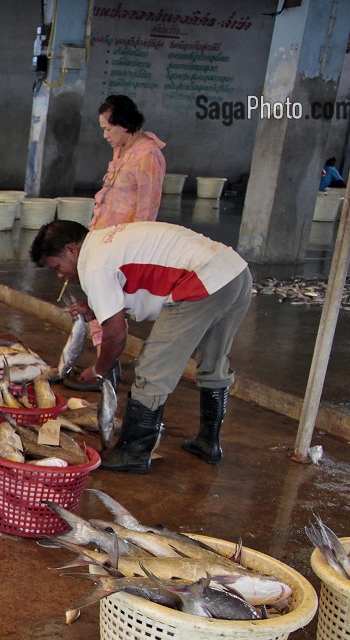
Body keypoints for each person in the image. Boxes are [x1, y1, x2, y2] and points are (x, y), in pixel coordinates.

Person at [30, 219, 253, 473]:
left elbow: (116, 334)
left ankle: (133, 451)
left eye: (57, 267)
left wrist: (100, 370)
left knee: (153, 368)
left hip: (202, 280)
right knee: (214, 361)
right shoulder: (107, 242)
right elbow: (135, 284)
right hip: (235, 273)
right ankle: (208, 442)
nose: (61, 276)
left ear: (71, 249)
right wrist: (94, 309)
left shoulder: (93, 264)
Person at [90, 95, 165, 230]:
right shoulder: (121, 147)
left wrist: (136, 239)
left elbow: (147, 207)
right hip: (106, 232)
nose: (105, 135)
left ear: (124, 125)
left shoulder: (148, 154)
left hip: (125, 236)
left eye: (108, 129)